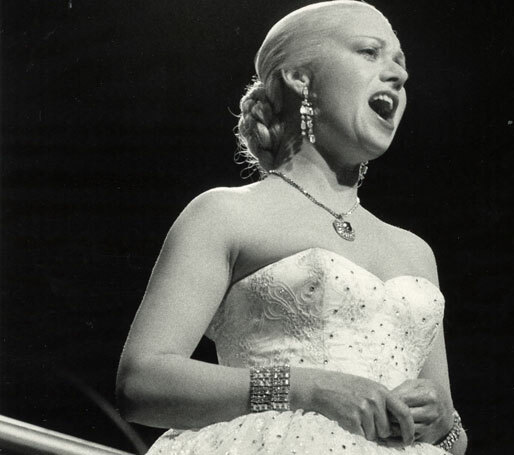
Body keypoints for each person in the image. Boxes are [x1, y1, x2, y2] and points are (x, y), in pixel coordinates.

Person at [116, 1, 468, 453]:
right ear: (301, 78)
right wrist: (306, 390)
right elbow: (141, 382)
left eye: (401, 64)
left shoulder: (416, 252)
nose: (397, 75)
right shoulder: (225, 214)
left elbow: (454, 441)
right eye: (369, 52)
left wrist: (443, 422)